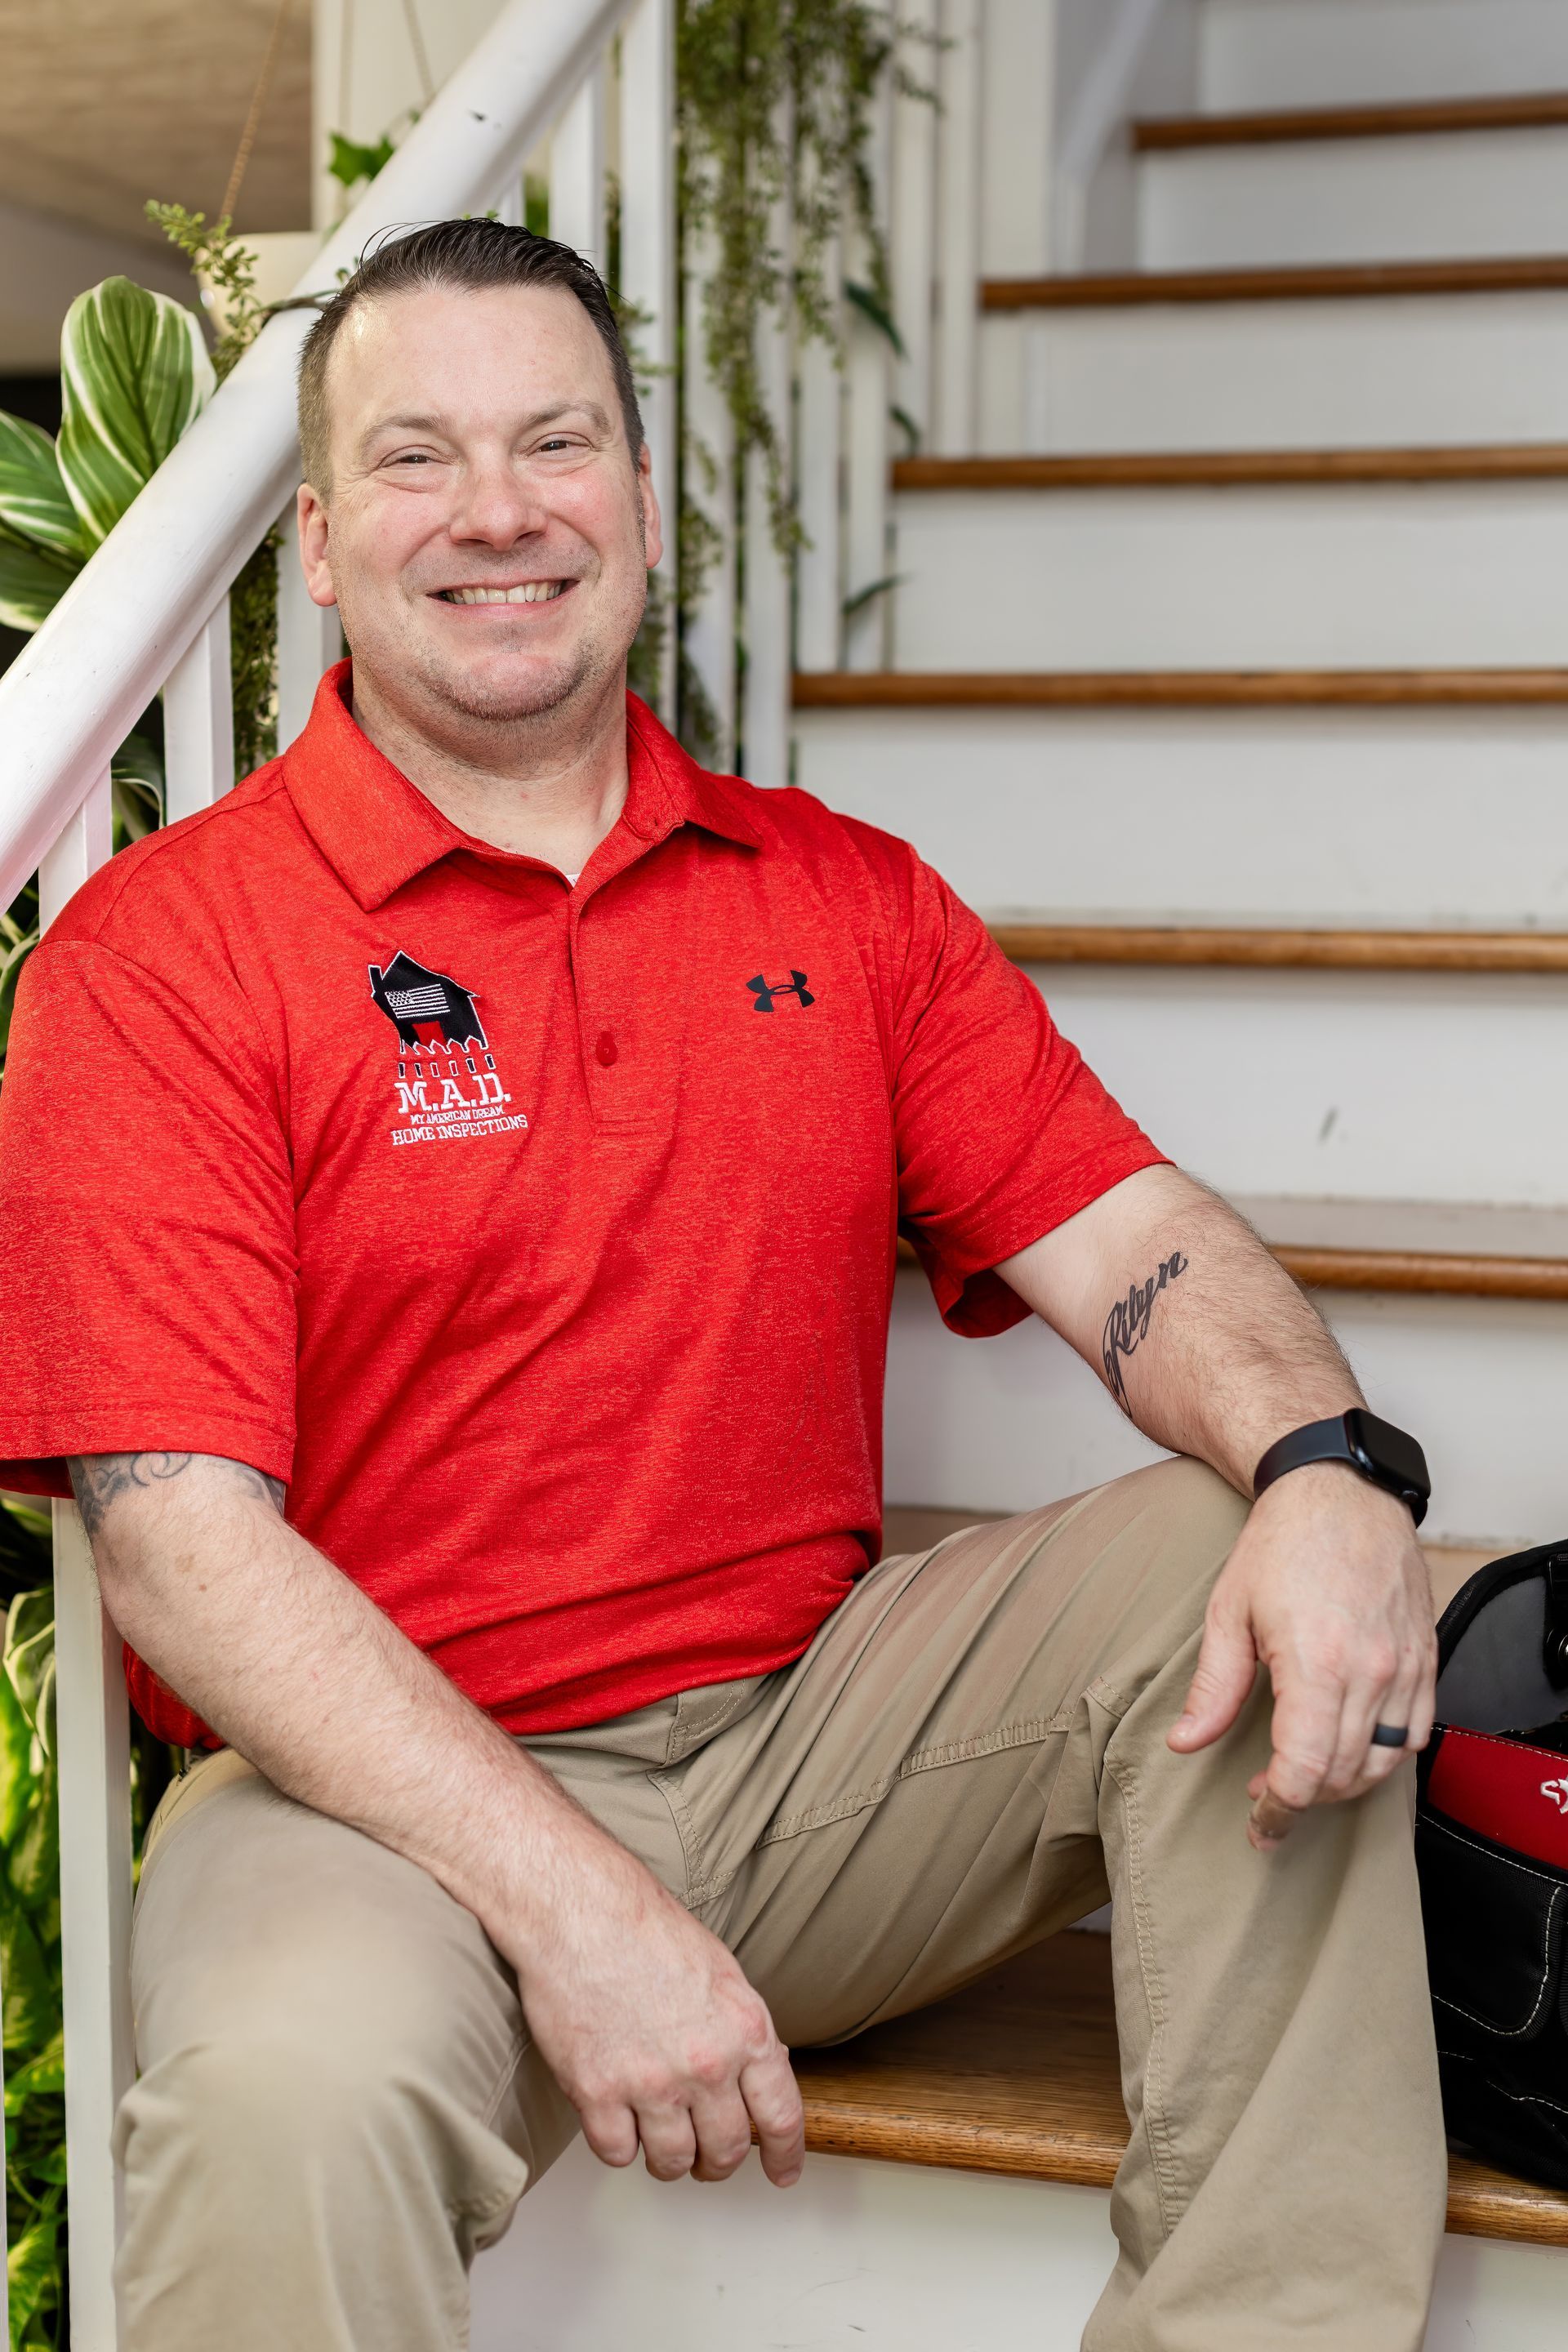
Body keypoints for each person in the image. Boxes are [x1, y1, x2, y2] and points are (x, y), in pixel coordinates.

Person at [0, 220, 1446, 2352]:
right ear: (316, 542)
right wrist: (581, 1914)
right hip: (369, 1799)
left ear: (645, 507)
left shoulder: (839, 901)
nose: (496, 510)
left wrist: (1337, 1466)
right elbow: (188, 1554)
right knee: (280, 2107)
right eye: (417, 460)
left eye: (554, 442)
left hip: (808, 1758)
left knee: (1266, 1559)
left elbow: (1136, 1241)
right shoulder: (165, 954)